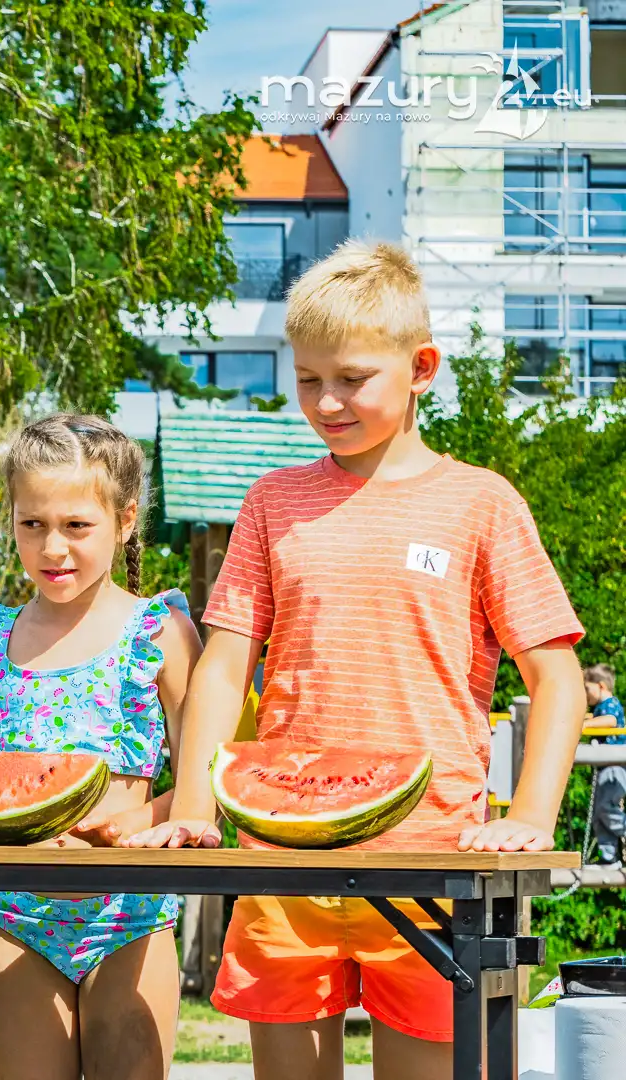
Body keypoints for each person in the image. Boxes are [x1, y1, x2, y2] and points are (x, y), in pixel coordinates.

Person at [126, 241, 587, 1080]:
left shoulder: (482, 503)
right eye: (308, 379)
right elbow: (224, 666)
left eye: (352, 378)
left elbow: (555, 677)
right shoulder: (272, 500)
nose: (327, 401)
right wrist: (194, 803)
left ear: (421, 369)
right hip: (281, 861)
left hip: (435, 862)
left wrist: (531, 815)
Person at [0, 414, 198, 1080]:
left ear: (126, 520)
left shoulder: (161, 633)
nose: (52, 547)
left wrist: (137, 821)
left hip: (131, 916)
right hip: (20, 921)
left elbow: (207, 784)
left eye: (77, 526)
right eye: (32, 524)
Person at [586, 663, 624, 866]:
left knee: (605, 807)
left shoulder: (610, 705)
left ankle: (623, 829)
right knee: (598, 814)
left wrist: (583, 725)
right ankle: (608, 856)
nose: (585, 695)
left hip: (614, 765)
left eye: (587, 688)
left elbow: (609, 721)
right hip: (605, 765)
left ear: (601, 686)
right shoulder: (599, 709)